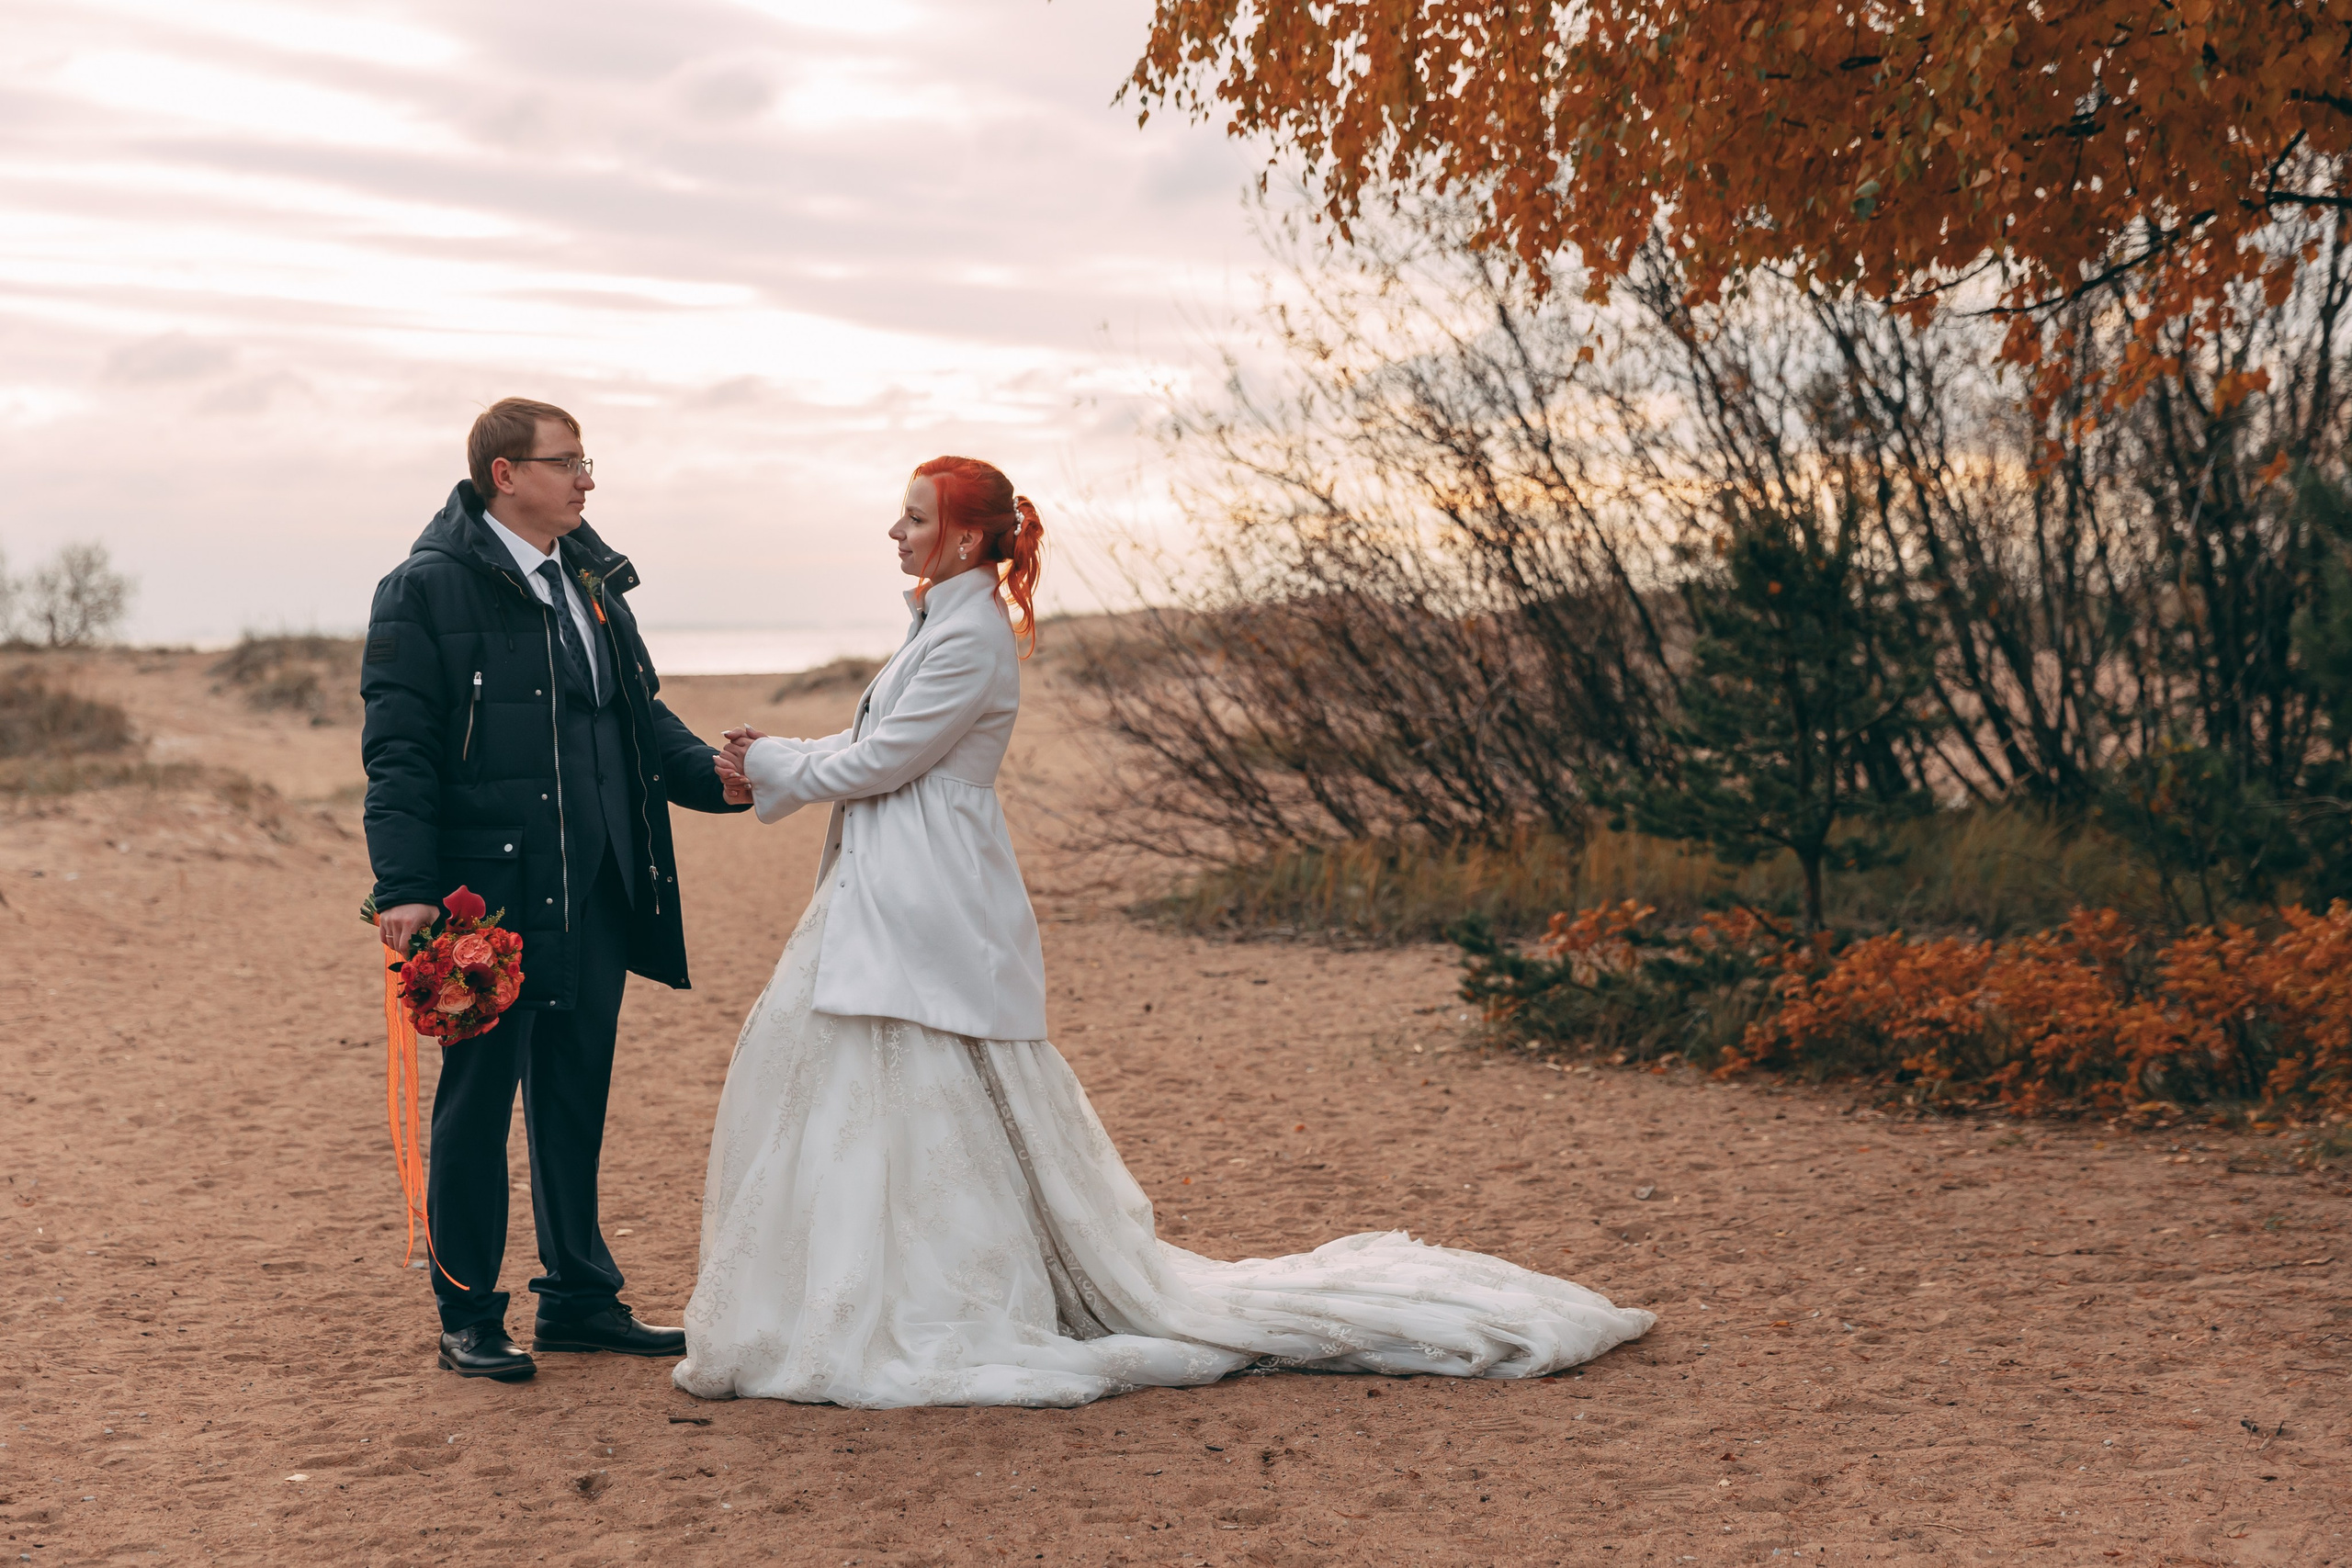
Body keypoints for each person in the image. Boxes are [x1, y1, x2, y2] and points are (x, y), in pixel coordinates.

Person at [674, 456, 1654, 1408]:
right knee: (863, 1065)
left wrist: (773, 767)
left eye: (915, 516)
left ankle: (920, 1292)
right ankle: (863, 1282)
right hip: (893, 874)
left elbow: (889, 757)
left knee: (911, 1051)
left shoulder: (969, 635)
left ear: (966, 536)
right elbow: (872, 746)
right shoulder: (941, 624)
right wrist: (780, 757)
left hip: (926, 881)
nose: (897, 531)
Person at [361, 398, 747, 1382]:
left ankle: (579, 1298)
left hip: (603, 885)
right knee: (479, 1104)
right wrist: (404, 887)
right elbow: (400, 753)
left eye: (586, 461)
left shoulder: (589, 577)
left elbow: (636, 717)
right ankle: (468, 1315)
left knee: (574, 1095)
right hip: (489, 902)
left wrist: (716, 777)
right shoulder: (424, 590)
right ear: (506, 474)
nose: (586, 479)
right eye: (567, 462)